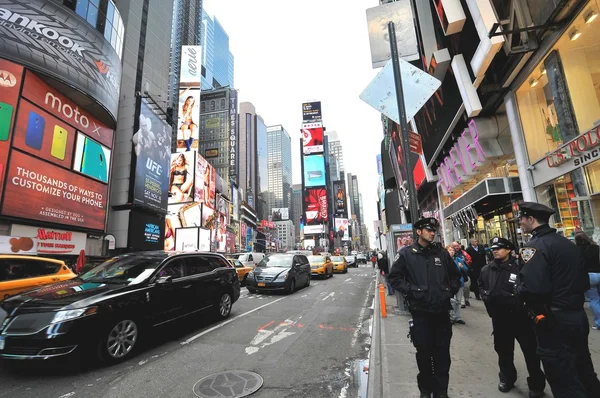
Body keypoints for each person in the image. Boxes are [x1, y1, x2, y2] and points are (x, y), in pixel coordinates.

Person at [517, 202, 600, 397]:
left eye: (522, 218)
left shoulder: (533, 247)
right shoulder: (567, 244)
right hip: (577, 317)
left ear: (531, 219)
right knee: (583, 369)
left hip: (554, 321)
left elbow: (534, 287)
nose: (520, 222)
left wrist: (518, 290)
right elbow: (583, 281)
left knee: (563, 378)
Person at [389, 217, 461, 398]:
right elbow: (395, 278)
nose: (432, 233)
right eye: (428, 230)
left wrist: (448, 292)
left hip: (442, 313)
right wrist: (412, 292)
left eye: (433, 230)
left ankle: (441, 392)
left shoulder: (442, 254)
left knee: (442, 355)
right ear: (419, 231)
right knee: (424, 354)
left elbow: (456, 277)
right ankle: (426, 390)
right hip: (421, 314)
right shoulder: (406, 254)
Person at [479, 237, 545, 397]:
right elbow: (481, 286)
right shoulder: (487, 270)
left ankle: (536, 385)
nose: (495, 251)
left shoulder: (520, 268)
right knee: (503, 351)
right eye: (493, 248)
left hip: (521, 318)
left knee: (531, 353)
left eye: (499, 248)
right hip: (500, 319)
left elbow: (530, 288)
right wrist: (488, 298)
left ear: (509, 250)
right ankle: (507, 378)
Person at [574, 232, 600, 330]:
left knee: (594, 300)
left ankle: (599, 323)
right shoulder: (596, 247)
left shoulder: (577, 251)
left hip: (589, 276)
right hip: (599, 273)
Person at [447, 245, 468, 325]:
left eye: (453, 250)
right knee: (451, 300)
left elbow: (466, 269)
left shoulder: (458, 259)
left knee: (458, 301)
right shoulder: (445, 261)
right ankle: (451, 317)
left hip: (459, 282)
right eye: (450, 250)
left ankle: (457, 317)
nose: (452, 251)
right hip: (449, 284)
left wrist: (462, 266)